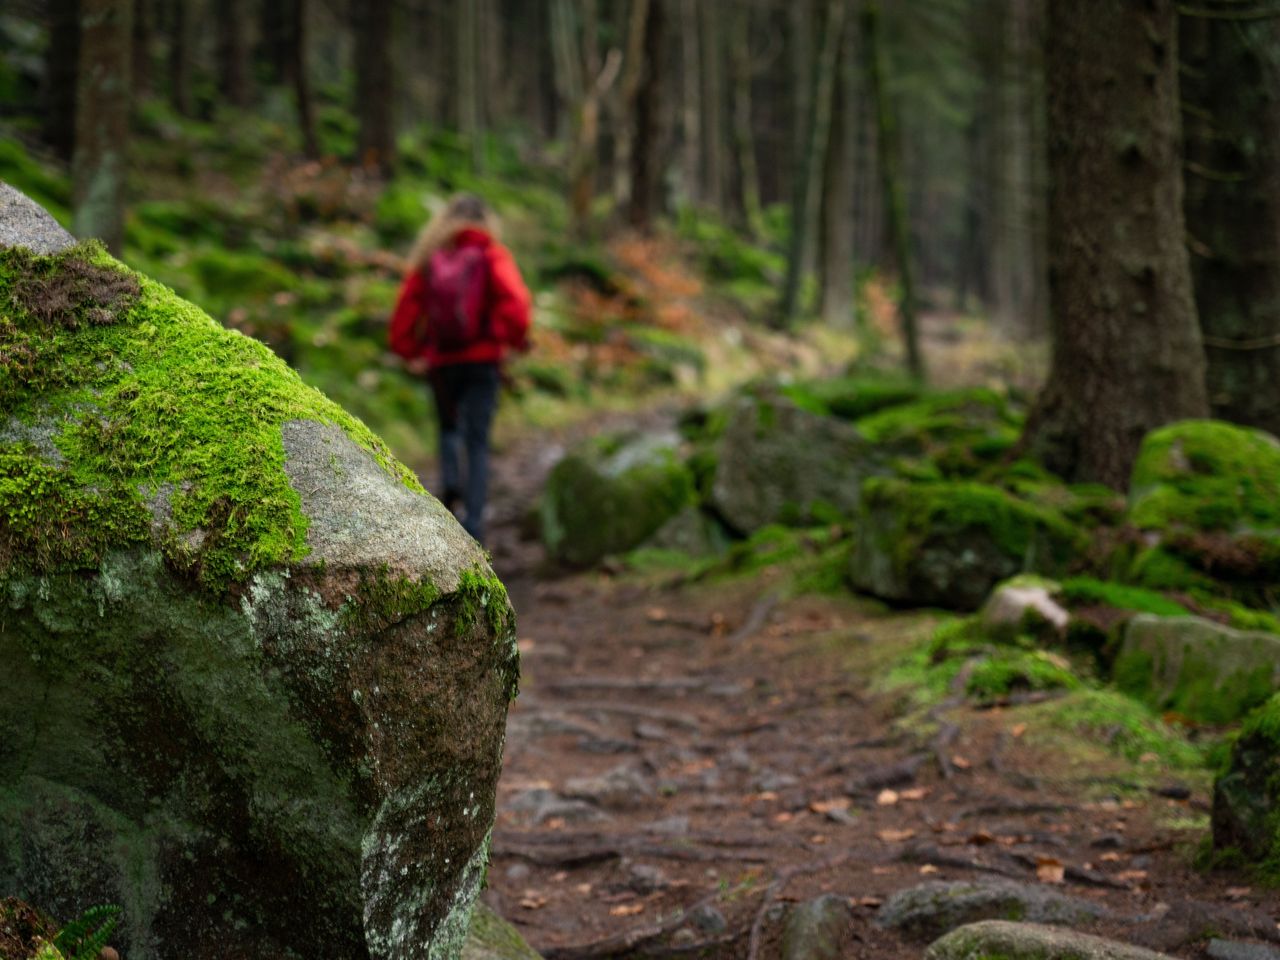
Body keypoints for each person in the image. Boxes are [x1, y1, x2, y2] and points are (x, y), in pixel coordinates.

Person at [389, 194, 531, 543]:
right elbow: (517, 305)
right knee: (478, 441)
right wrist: (509, 340)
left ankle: (451, 485)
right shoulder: (491, 252)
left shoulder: (429, 256)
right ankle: (475, 522)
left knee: (448, 427)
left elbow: (405, 312)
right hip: (483, 359)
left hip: (442, 362)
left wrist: (412, 352)